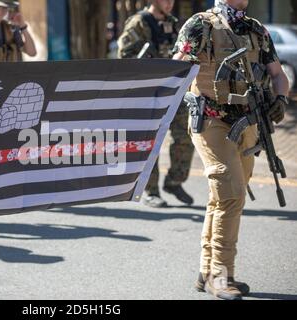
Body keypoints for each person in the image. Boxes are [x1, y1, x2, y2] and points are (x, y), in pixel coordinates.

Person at [173, 0, 289, 300]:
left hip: (248, 121)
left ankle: (206, 269)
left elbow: (278, 74)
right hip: (211, 120)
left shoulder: (255, 29)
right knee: (231, 192)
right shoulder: (200, 24)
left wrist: (281, 99)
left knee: (223, 197)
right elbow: (177, 69)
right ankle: (220, 276)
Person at [117, 0, 195, 208]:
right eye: (165, 0)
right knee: (150, 144)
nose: (169, 4)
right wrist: (146, 61)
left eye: (172, 0)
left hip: (176, 91)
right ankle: (150, 190)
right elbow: (124, 57)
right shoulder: (139, 23)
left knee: (185, 137)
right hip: (149, 94)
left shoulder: (176, 24)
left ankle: (174, 181)